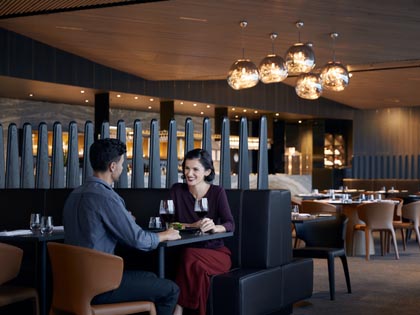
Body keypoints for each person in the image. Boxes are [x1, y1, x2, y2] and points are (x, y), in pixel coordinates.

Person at [63, 138, 181, 315]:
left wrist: (124, 221)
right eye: (122, 164)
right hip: (98, 287)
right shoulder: (107, 197)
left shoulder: (75, 194)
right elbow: (138, 240)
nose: (122, 168)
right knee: (170, 290)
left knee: (151, 278)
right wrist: (165, 235)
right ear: (112, 166)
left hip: (70, 283)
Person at [170, 148, 235, 315]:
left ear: (207, 171)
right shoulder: (177, 190)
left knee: (188, 256)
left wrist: (215, 227)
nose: (189, 173)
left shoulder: (217, 192)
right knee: (194, 263)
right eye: (186, 168)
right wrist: (192, 225)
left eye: (195, 169)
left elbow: (230, 224)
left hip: (216, 253)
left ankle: (178, 309)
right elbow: (170, 225)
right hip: (189, 254)